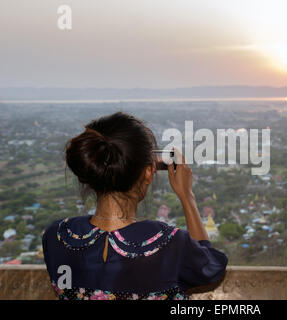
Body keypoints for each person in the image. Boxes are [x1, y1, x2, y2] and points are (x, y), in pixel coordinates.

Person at [42, 111, 228, 300]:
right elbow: (210, 267)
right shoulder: (168, 243)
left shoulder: (58, 236)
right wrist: (187, 196)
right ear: (148, 172)